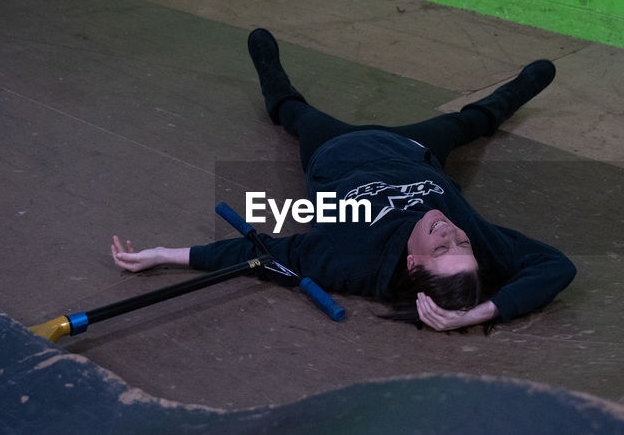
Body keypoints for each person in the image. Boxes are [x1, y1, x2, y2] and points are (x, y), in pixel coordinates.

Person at [111, 28, 575, 332]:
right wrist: (484, 310)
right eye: (461, 247)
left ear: (413, 266)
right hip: (414, 150)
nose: (452, 235)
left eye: (441, 249)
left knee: (294, 114)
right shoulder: (482, 242)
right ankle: (520, 88)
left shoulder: (349, 256)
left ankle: (269, 70)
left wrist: (163, 255)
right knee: (466, 123)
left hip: (337, 151)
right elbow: (557, 266)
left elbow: (260, 251)